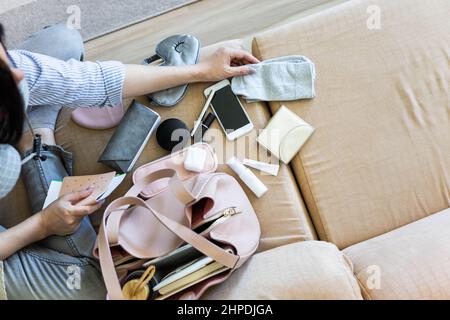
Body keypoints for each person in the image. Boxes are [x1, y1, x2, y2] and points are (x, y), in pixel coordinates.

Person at [0, 23, 259, 300]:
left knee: (63, 40)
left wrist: (201, 71)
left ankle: (32, 137)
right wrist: (43, 225)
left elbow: (98, 81)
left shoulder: (17, 69)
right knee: (94, 285)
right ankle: (34, 143)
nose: (17, 74)